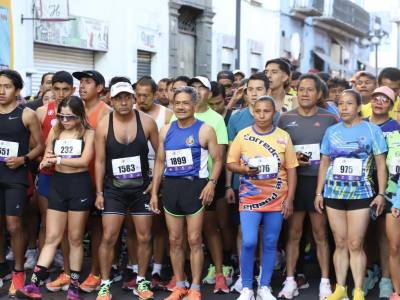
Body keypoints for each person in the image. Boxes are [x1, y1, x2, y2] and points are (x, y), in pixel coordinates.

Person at [16, 96, 95, 300]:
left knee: (75, 238)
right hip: (58, 185)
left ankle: (74, 286)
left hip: (79, 186)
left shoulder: (88, 132)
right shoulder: (56, 130)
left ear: (79, 115)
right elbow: (47, 154)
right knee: (52, 237)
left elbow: (85, 161)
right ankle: (33, 285)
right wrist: (46, 162)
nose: (65, 120)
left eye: (69, 117)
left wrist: (57, 159)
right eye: (61, 116)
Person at [150, 86, 222, 300]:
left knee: (193, 239)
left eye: (185, 103)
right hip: (171, 188)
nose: (181, 107)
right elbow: (160, 162)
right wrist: (154, 192)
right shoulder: (166, 130)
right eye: (177, 103)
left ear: (194, 104)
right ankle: (180, 284)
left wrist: (211, 183)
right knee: (174, 239)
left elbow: (218, 159)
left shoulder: (205, 129)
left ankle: (196, 287)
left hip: (195, 188)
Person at [315, 89, 387, 300]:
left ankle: (358, 290)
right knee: (339, 242)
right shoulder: (331, 131)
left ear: (358, 108)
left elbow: (381, 165)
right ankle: (340, 288)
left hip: (361, 194)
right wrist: (319, 192)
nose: (343, 108)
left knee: (356, 243)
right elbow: (325, 162)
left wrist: (381, 194)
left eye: (348, 104)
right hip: (334, 193)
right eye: (340, 104)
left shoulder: (372, 130)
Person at [227, 96, 298, 300]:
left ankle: (264, 286)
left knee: (270, 242)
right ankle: (247, 287)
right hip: (250, 198)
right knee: (249, 241)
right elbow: (230, 163)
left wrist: (290, 199)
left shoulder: (283, 136)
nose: (262, 115)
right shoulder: (243, 135)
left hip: (277, 198)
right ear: (253, 112)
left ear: (274, 113)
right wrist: (243, 169)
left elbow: (292, 169)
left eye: (266, 111)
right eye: (258, 111)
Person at [95, 81, 158, 300]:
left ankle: (141, 281)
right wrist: (99, 192)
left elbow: (161, 157)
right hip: (114, 190)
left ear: (133, 99)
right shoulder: (104, 124)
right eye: (118, 98)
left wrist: (155, 185)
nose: (123, 102)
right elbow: (100, 161)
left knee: (144, 236)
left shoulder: (148, 122)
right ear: (111, 101)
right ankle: (104, 284)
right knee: (109, 236)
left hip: (141, 189)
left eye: (127, 97)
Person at [278, 74, 338, 300]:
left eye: (309, 90)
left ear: (319, 94)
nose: (304, 93)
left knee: (320, 233)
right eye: (300, 89)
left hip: (319, 183)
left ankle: (325, 282)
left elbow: (336, 148)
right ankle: (290, 280)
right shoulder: (284, 118)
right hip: (295, 182)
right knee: (293, 234)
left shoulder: (330, 119)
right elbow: (279, 149)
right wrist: (292, 160)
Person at [0, 69, 44, 296]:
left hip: (15, 177)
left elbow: (40, 146)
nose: (1, 91)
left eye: (6, 86)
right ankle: (2, 269)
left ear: (17, 90)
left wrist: (23, 159)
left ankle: (18, 271)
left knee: (13, 225)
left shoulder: (26, 114)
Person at [226, 72, 270, 292]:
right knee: (244, 232)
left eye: (259, 89)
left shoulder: (276, 116)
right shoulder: (236, 117)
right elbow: (230, 156)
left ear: (267, 91)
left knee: (264, 233)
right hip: (241, 184)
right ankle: (245, 277)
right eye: (250, 89)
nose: (254, 94)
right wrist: (227, 186)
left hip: (269, 186)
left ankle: (263, 277)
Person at [72, 70, 112, 293]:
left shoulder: (106, 113)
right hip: (73, 178)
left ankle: (96, 273)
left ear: (100, 88)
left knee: (98, 229)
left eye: (88, 82)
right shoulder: (74, 110)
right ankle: (69, 273)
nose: (82, 86)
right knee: (73, 230)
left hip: (97, 179)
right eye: (80, 82)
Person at [36, 71, 76, 291]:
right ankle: (44, 272)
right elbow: (39, 146)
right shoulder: (42, 111)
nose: (60, 94)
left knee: (71, 231)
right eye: (56, 89)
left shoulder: (80, 113)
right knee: (47, 226)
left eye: (65, 89)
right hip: (49, 177)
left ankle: (69, 273)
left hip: (72, 178)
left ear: (72, 90)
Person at [135, 75, 173, 289]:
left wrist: (161, 177)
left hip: (159, 174)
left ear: (156, 94)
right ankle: (134, 268)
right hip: (132, 177)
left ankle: (157, 270)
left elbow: (170, 148)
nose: (141, 100)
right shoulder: (128, 113)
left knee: (157, 226)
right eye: (138, 95)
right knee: (134, 228)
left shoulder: (167, 115)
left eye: (146, 96)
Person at [363, 86, 400, 298]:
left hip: (388, 187)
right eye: (375, 98)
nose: (378, 102)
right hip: (361, 185)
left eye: (384, 99)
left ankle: (386, 278)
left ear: (391, 105)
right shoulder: (361, 124)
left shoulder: (395, 127)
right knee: (363, 233)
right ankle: (369, 270)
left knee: (386, 235)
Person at [384, 126, 400, 300]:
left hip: (398, 200)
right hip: (392, 197)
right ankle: (397, 291)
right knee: (394, 246)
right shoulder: (391, 137)